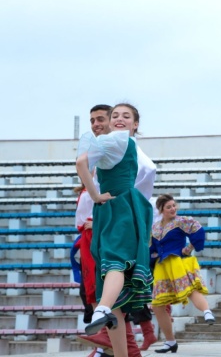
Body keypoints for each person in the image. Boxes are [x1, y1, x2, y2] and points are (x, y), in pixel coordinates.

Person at [75, 103, 155, 357]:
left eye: (126, 116)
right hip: (122, 206)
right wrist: (96, 195)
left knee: (111, 269)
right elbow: (81, 163)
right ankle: (103, 309)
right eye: (116, 115)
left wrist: (96, 195)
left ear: (135, 123)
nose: (119, 118)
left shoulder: (112, 142)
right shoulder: (119, 140)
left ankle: (106, 311)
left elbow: (83, 164)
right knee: (117, 264)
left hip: (109, 209)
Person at [150, 194, 215, 353]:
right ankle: (170, 341)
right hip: (162, 267)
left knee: (189, 289)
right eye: (169, 207)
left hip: (176, 262)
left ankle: (207, 312)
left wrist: (189, 248)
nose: (173, 209)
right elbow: (152, 248)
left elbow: (197, 229)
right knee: (157, 305)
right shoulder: (155, 227)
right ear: (161, 210)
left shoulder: (181, 221)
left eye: (174, 205)